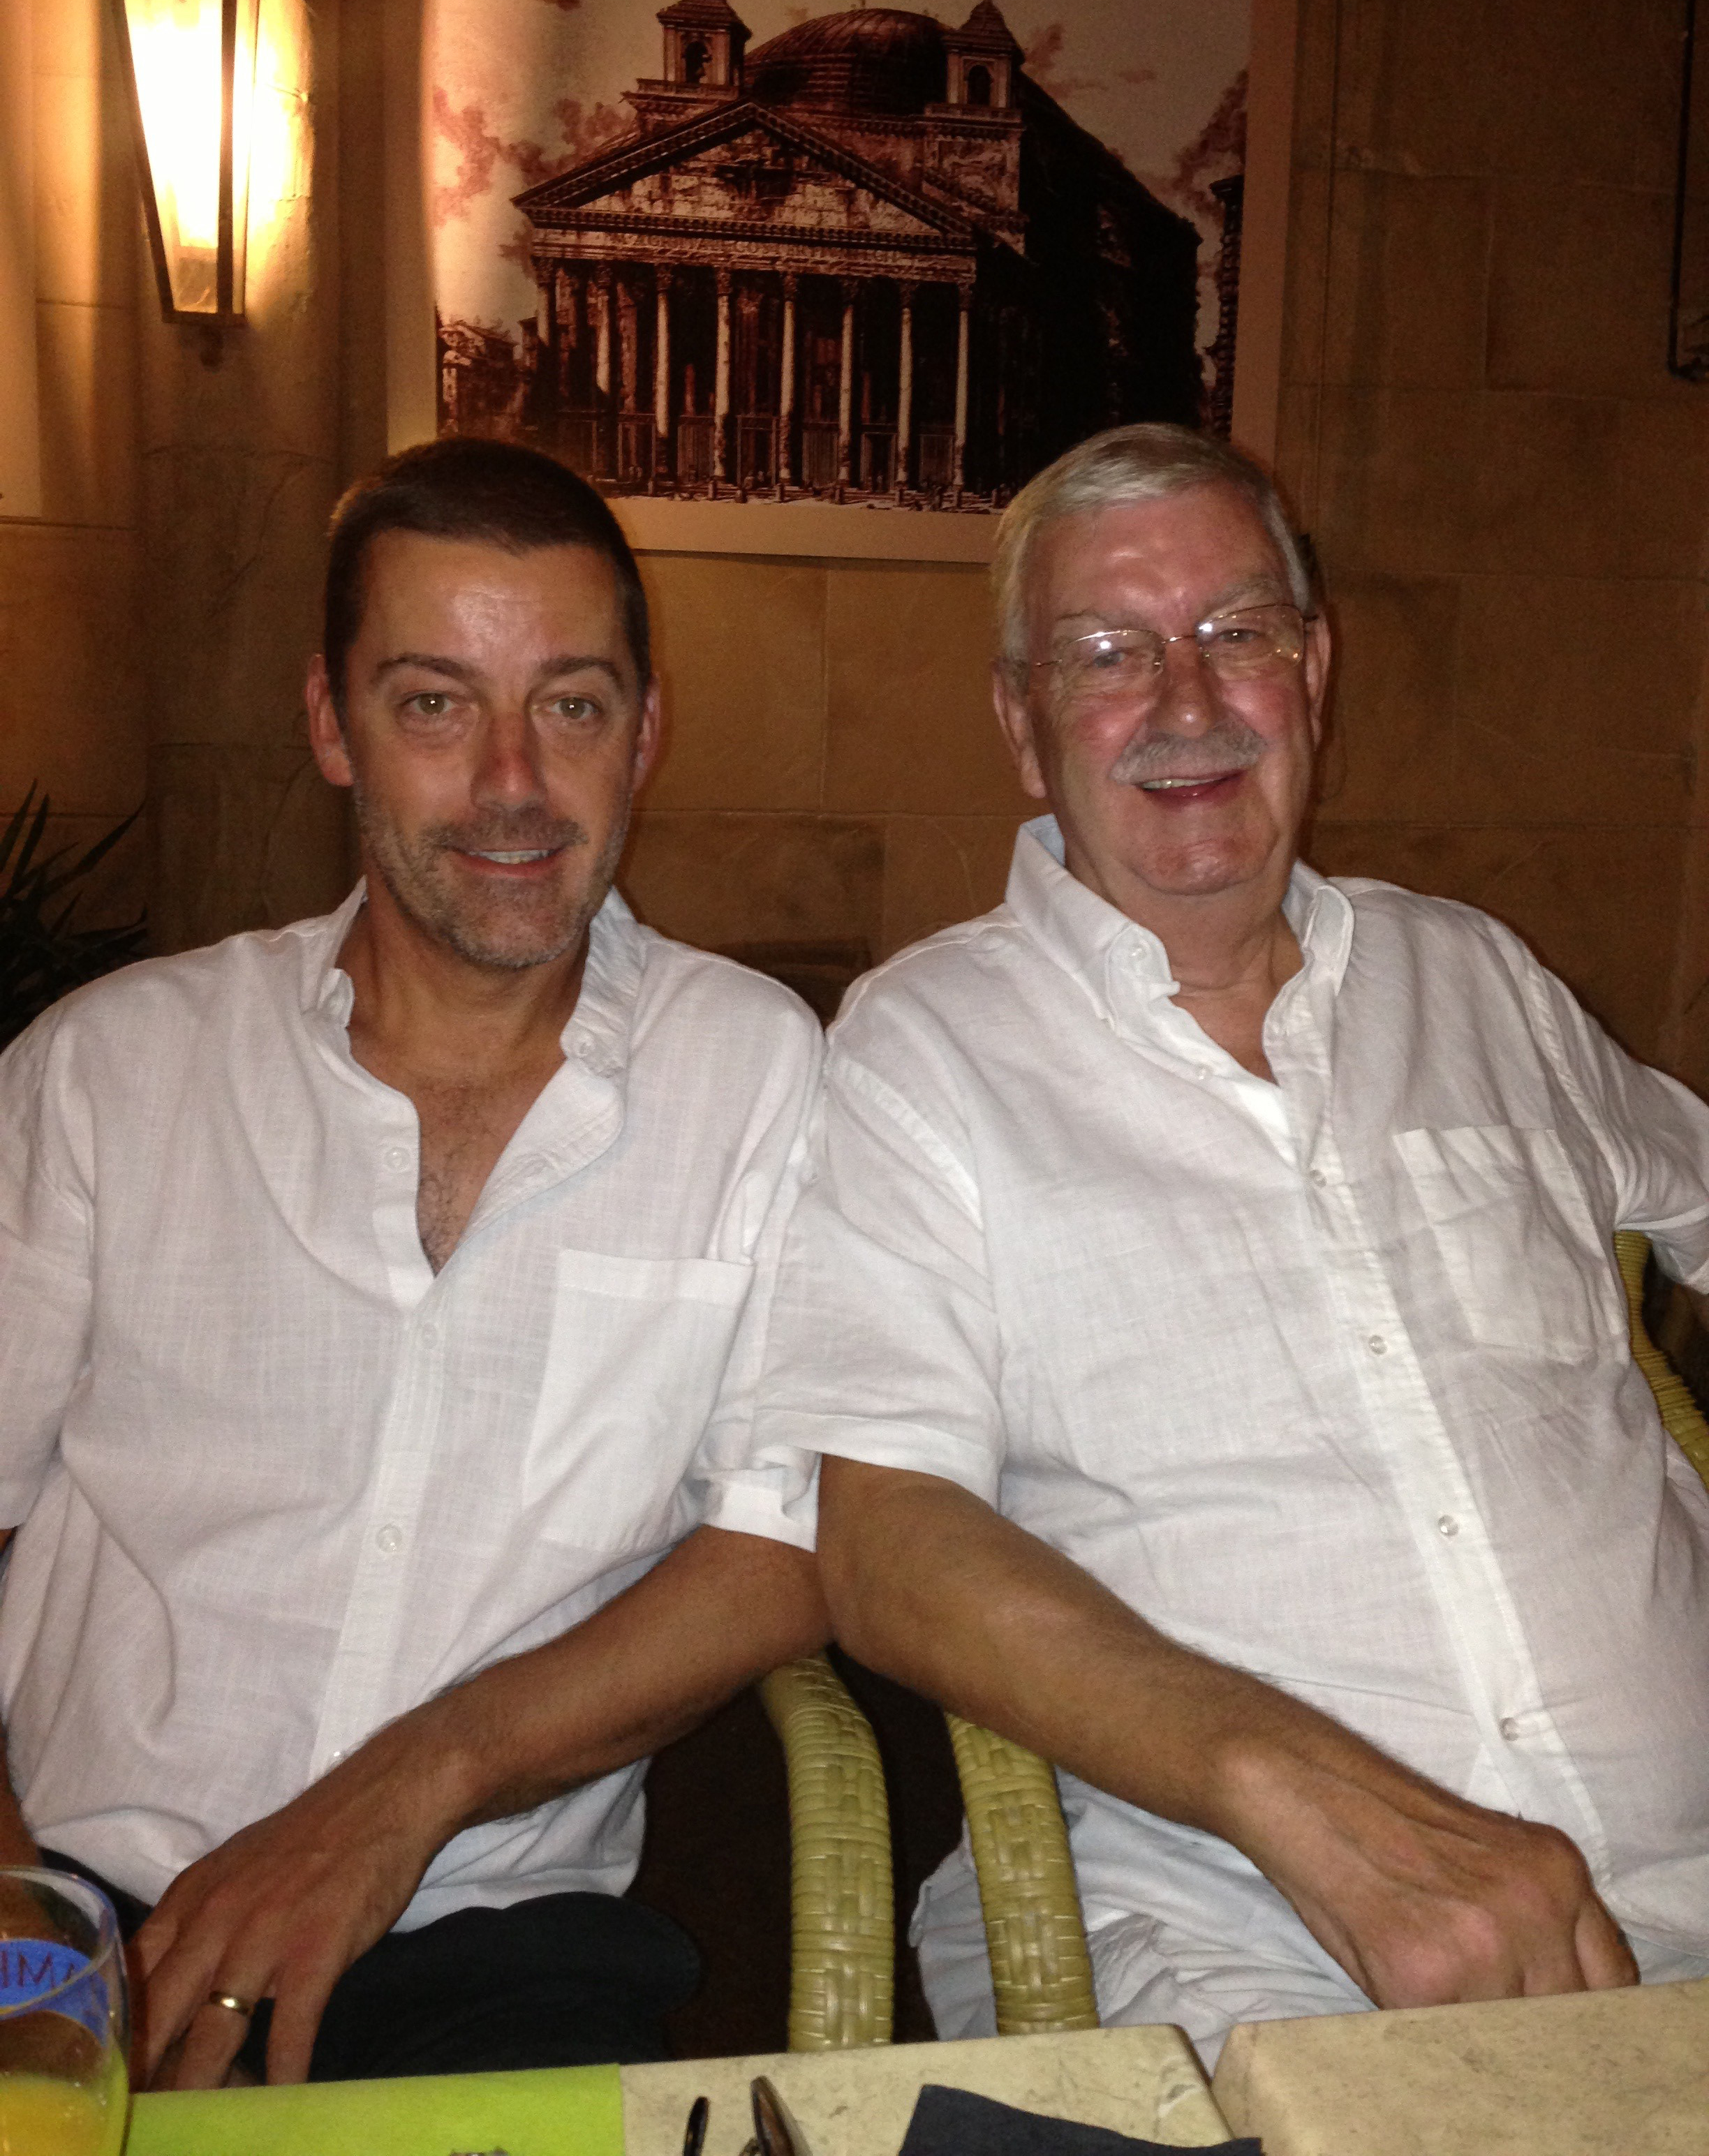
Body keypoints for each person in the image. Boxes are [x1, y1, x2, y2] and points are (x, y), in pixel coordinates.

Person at [751, 422, 1709, 2064]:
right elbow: (882, 1532)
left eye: (1239, 635)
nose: (1187, 707)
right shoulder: (925, 1050)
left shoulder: (1473, 978)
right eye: (1109, 655)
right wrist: (1301, 1793)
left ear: (1314, 672)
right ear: (1022, 723)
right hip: (1237, 1942)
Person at [0, 438, 827, 2088]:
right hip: (80, 1903)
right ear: (332, 723)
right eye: (436, 703)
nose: (513, 781)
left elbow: (787, 1545)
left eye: (573, 704)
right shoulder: (110, 1072)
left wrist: (401, 1794)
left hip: (494, 1930)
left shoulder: (759, 1074)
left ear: (645, 733)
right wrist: (24, 1927)